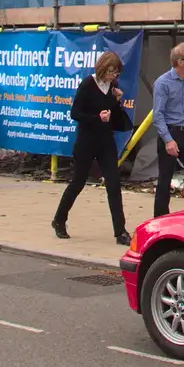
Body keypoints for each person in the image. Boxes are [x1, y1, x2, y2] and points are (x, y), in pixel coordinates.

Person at [53, 52, 132, 243]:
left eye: (116, 73)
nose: (113, 76)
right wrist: (97, 118)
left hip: (105, 140)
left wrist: (116, 101)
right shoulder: (88, 84)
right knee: (78, 182)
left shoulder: (113, 86)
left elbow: (112, 113)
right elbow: (75, 113)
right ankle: (59, 219)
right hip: (87, 140)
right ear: (103, 68)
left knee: (113, 183)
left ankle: (120, 231)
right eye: (111, 72)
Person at [151, 41, 184, 217]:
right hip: (171, 132)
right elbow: (157, 115)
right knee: (165, 180)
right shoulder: (163, 83)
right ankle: (160, 219)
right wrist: (168, 140)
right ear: (180, 62)